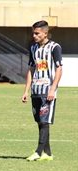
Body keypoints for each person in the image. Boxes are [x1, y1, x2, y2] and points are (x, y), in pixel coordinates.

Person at [21, 20, 63, 161]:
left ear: (45, 33)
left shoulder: (54, 47)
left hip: (48, 90)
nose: (34, 35)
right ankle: (48, 153)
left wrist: (52, 89)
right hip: (36, 90)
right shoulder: (33, 49)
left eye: (37, 33)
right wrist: (26, 90)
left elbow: (59, 69)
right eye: (33, 33)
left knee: (44, 121)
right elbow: (31, 69)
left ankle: (38, 152)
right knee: (40, 121)